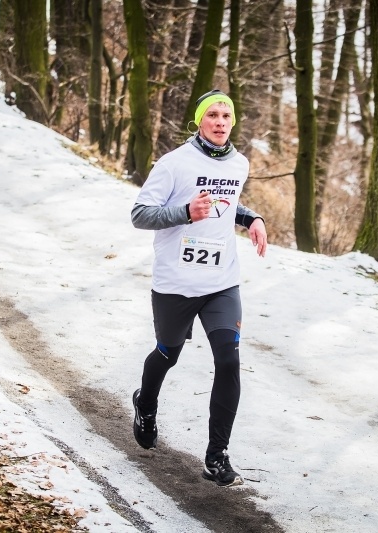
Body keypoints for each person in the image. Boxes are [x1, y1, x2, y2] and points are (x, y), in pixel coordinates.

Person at [130, 89, 267, 487]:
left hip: (221, 282)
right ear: (199, 121)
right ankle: (146, 402)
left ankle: (216, 455)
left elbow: (227, 203)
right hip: (175, 283)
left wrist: (251, 217)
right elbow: (140, 214)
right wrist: (185, 213)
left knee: (229, 360)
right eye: (213, 115)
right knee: (167, 354)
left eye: (227, 115)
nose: (221, 122)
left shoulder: (239, 164)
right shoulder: (174, 164)